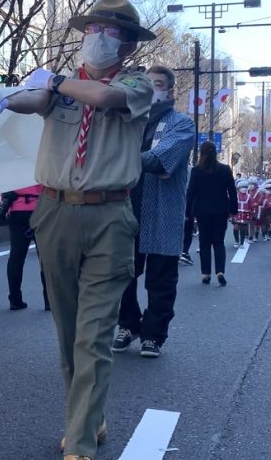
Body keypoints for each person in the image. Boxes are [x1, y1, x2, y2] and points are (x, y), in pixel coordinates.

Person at [0, 0, 155, 460]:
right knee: (67, 331)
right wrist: (4, 102)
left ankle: (82, 441)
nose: (97, 38)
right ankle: (88, 417)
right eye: (92, 29)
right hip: (53, 211)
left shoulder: (135, 83)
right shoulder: (62, 86)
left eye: (109, 32)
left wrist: (56, 79)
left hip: (110, 216)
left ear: (127, 45)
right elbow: (38, 99)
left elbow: (103, 97)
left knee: (93, 333)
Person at [113, 64, 195, 358]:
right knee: (122, 274)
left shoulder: (181, 123)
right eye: (146, 84)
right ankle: (127, 324)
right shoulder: (127, 119)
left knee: (161, 278)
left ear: (169, 90)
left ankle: (154, 335)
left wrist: (117, 157)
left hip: (163, 209)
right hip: (124, 207)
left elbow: (162, 159)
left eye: (157, 84)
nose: (151, 89)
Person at [186, 141, 237, 287]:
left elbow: (191, 193)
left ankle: (206, 273)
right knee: (219, 242)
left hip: (202, 210)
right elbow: (232, 191)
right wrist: (233, 210)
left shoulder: (196, 170)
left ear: (201, 153)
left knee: (204, 242)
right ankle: (220, 272)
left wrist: (189, 212)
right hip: (221, 210)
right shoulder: (225, 169)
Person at [0, 185, 49, 310]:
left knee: (16, 257)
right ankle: (49, 301)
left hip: (16, 211)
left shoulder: (10, 167)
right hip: (40, 210)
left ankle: (15, 300)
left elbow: (2, 190)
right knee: (45, 258)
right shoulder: (39, 165)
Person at [232, 179, 251, 248]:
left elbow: (251, 207)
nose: (244, 189)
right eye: (242, 187)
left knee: (243, 229)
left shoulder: (249, 197)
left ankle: (242, 243)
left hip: (245, 215)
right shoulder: (235, 196)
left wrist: (250, 215)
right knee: (236, 227)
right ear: (239, 188)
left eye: (245, 187)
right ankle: (236, 241)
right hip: (236, 214)